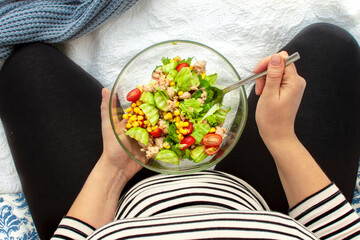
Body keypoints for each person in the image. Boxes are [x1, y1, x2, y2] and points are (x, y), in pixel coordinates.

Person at [0, 23, 359, 239]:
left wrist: (113, 169)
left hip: (121, 203)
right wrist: (280, 138)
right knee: (330, 45)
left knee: (28, 67)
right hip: (257, 199)